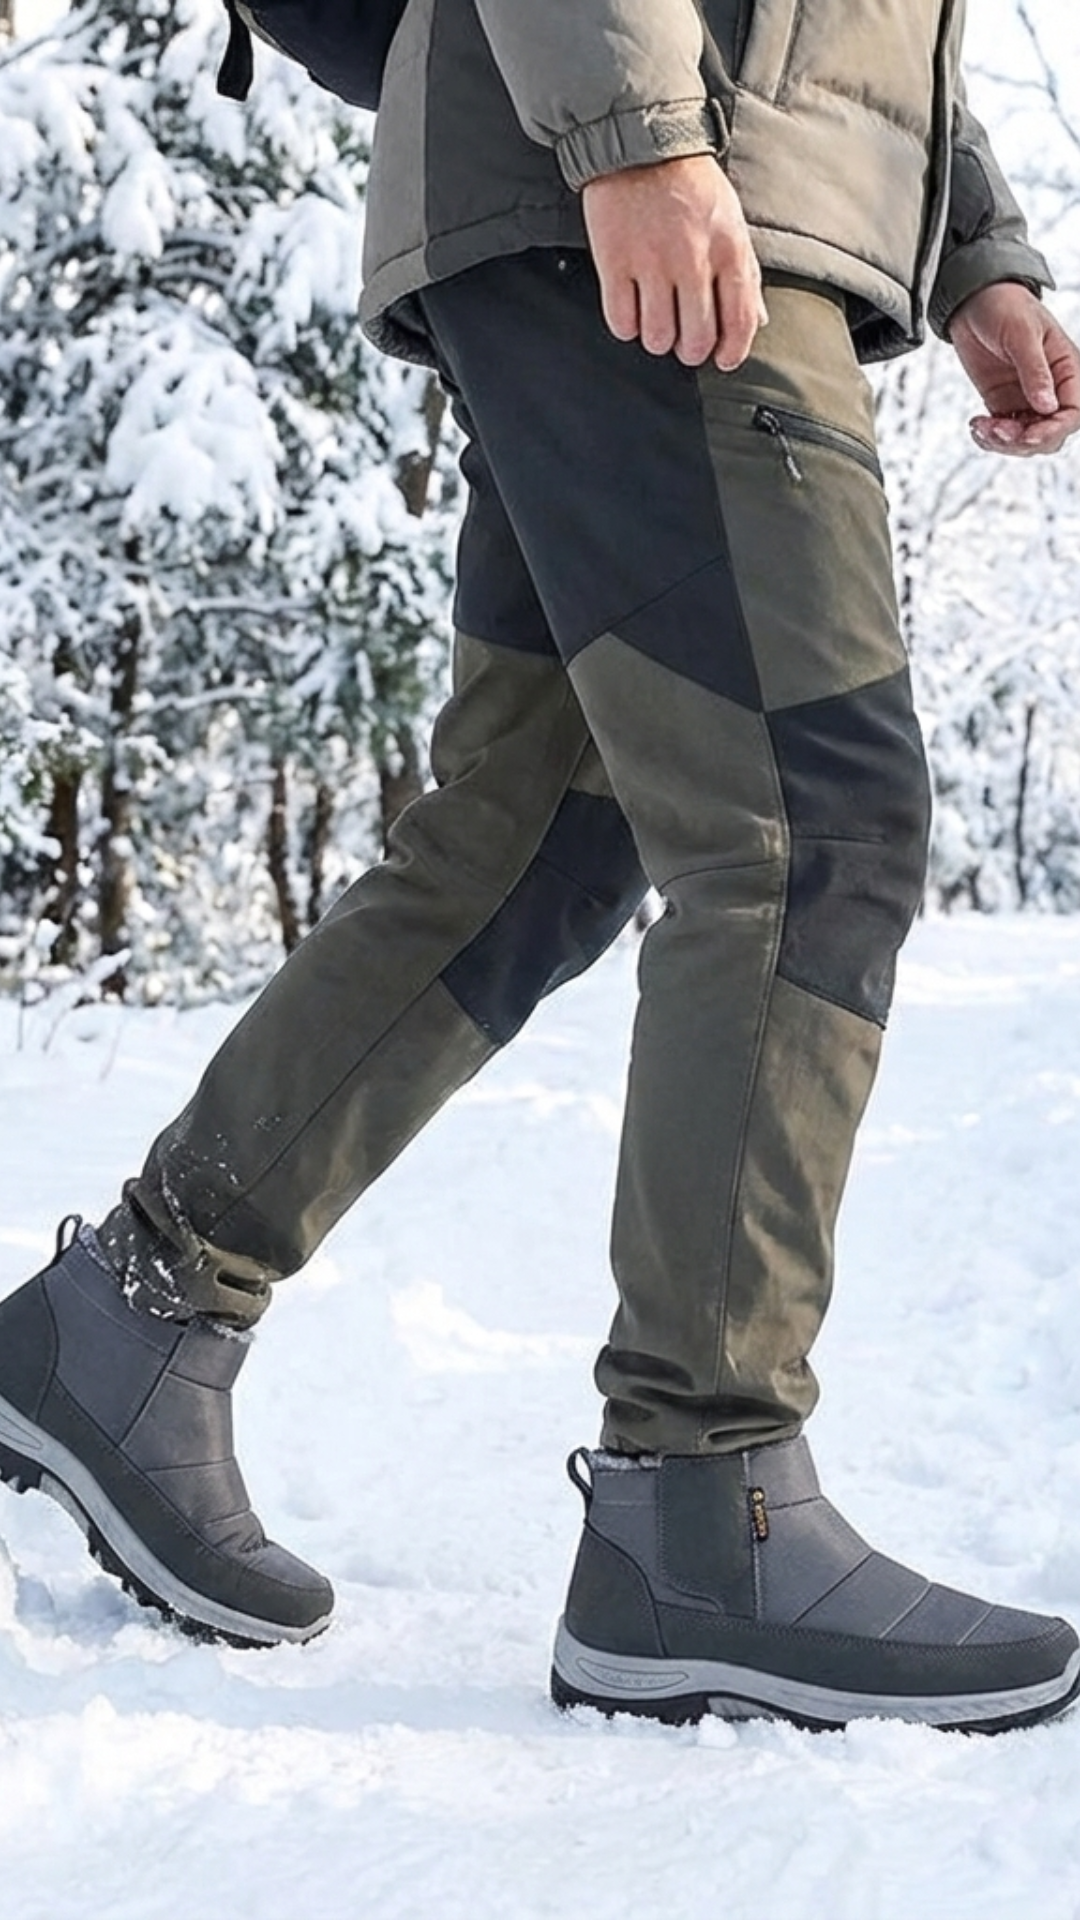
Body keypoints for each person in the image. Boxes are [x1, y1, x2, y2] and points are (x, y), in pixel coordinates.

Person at [1, 0, 1079, 1732]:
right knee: (811, 825)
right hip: (662, 165)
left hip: (655, 169)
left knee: (539, 837)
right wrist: (633, 129)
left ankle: (129, 1317)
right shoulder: (641, 141)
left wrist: (975, 246)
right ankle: (704, 1504)